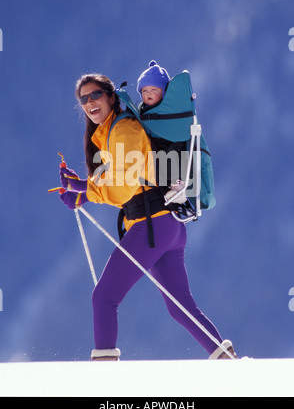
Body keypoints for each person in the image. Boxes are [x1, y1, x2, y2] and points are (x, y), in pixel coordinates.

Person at [59, 71, 238, 361]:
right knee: (181, 307)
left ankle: (103, 385)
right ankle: (231, 365)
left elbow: (125, 184)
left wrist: (84, 196)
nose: (89, 102)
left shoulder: (123, 130)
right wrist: (80, 184)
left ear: (111, 96)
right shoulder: (111, 131)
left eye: (95, 95)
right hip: (167, 226)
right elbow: (126, 180)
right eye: (83, 99)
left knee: (104, 298)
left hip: (151, 226)